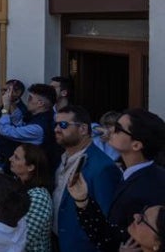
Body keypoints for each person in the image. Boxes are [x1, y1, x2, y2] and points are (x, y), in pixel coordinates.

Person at [67, 109, 165, 250]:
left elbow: (143, 239)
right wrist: (83, 201)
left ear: (136, 145)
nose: (111, 129)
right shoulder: (134, 173)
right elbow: (110, 233)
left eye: (118, 128)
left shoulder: (151, 186)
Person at [53, 105, 121, 252]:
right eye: (56, 124)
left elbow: (106, 218)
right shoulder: (63, 158)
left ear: (83, 129)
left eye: (63, 125)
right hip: (59, 241)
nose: (57, 129)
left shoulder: (103, 167)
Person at [9, 143, 53, 252]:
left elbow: (22, 238)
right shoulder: (17, 185)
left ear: (30, 167)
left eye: (16, 158)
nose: (10, 159)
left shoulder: (39, 198)